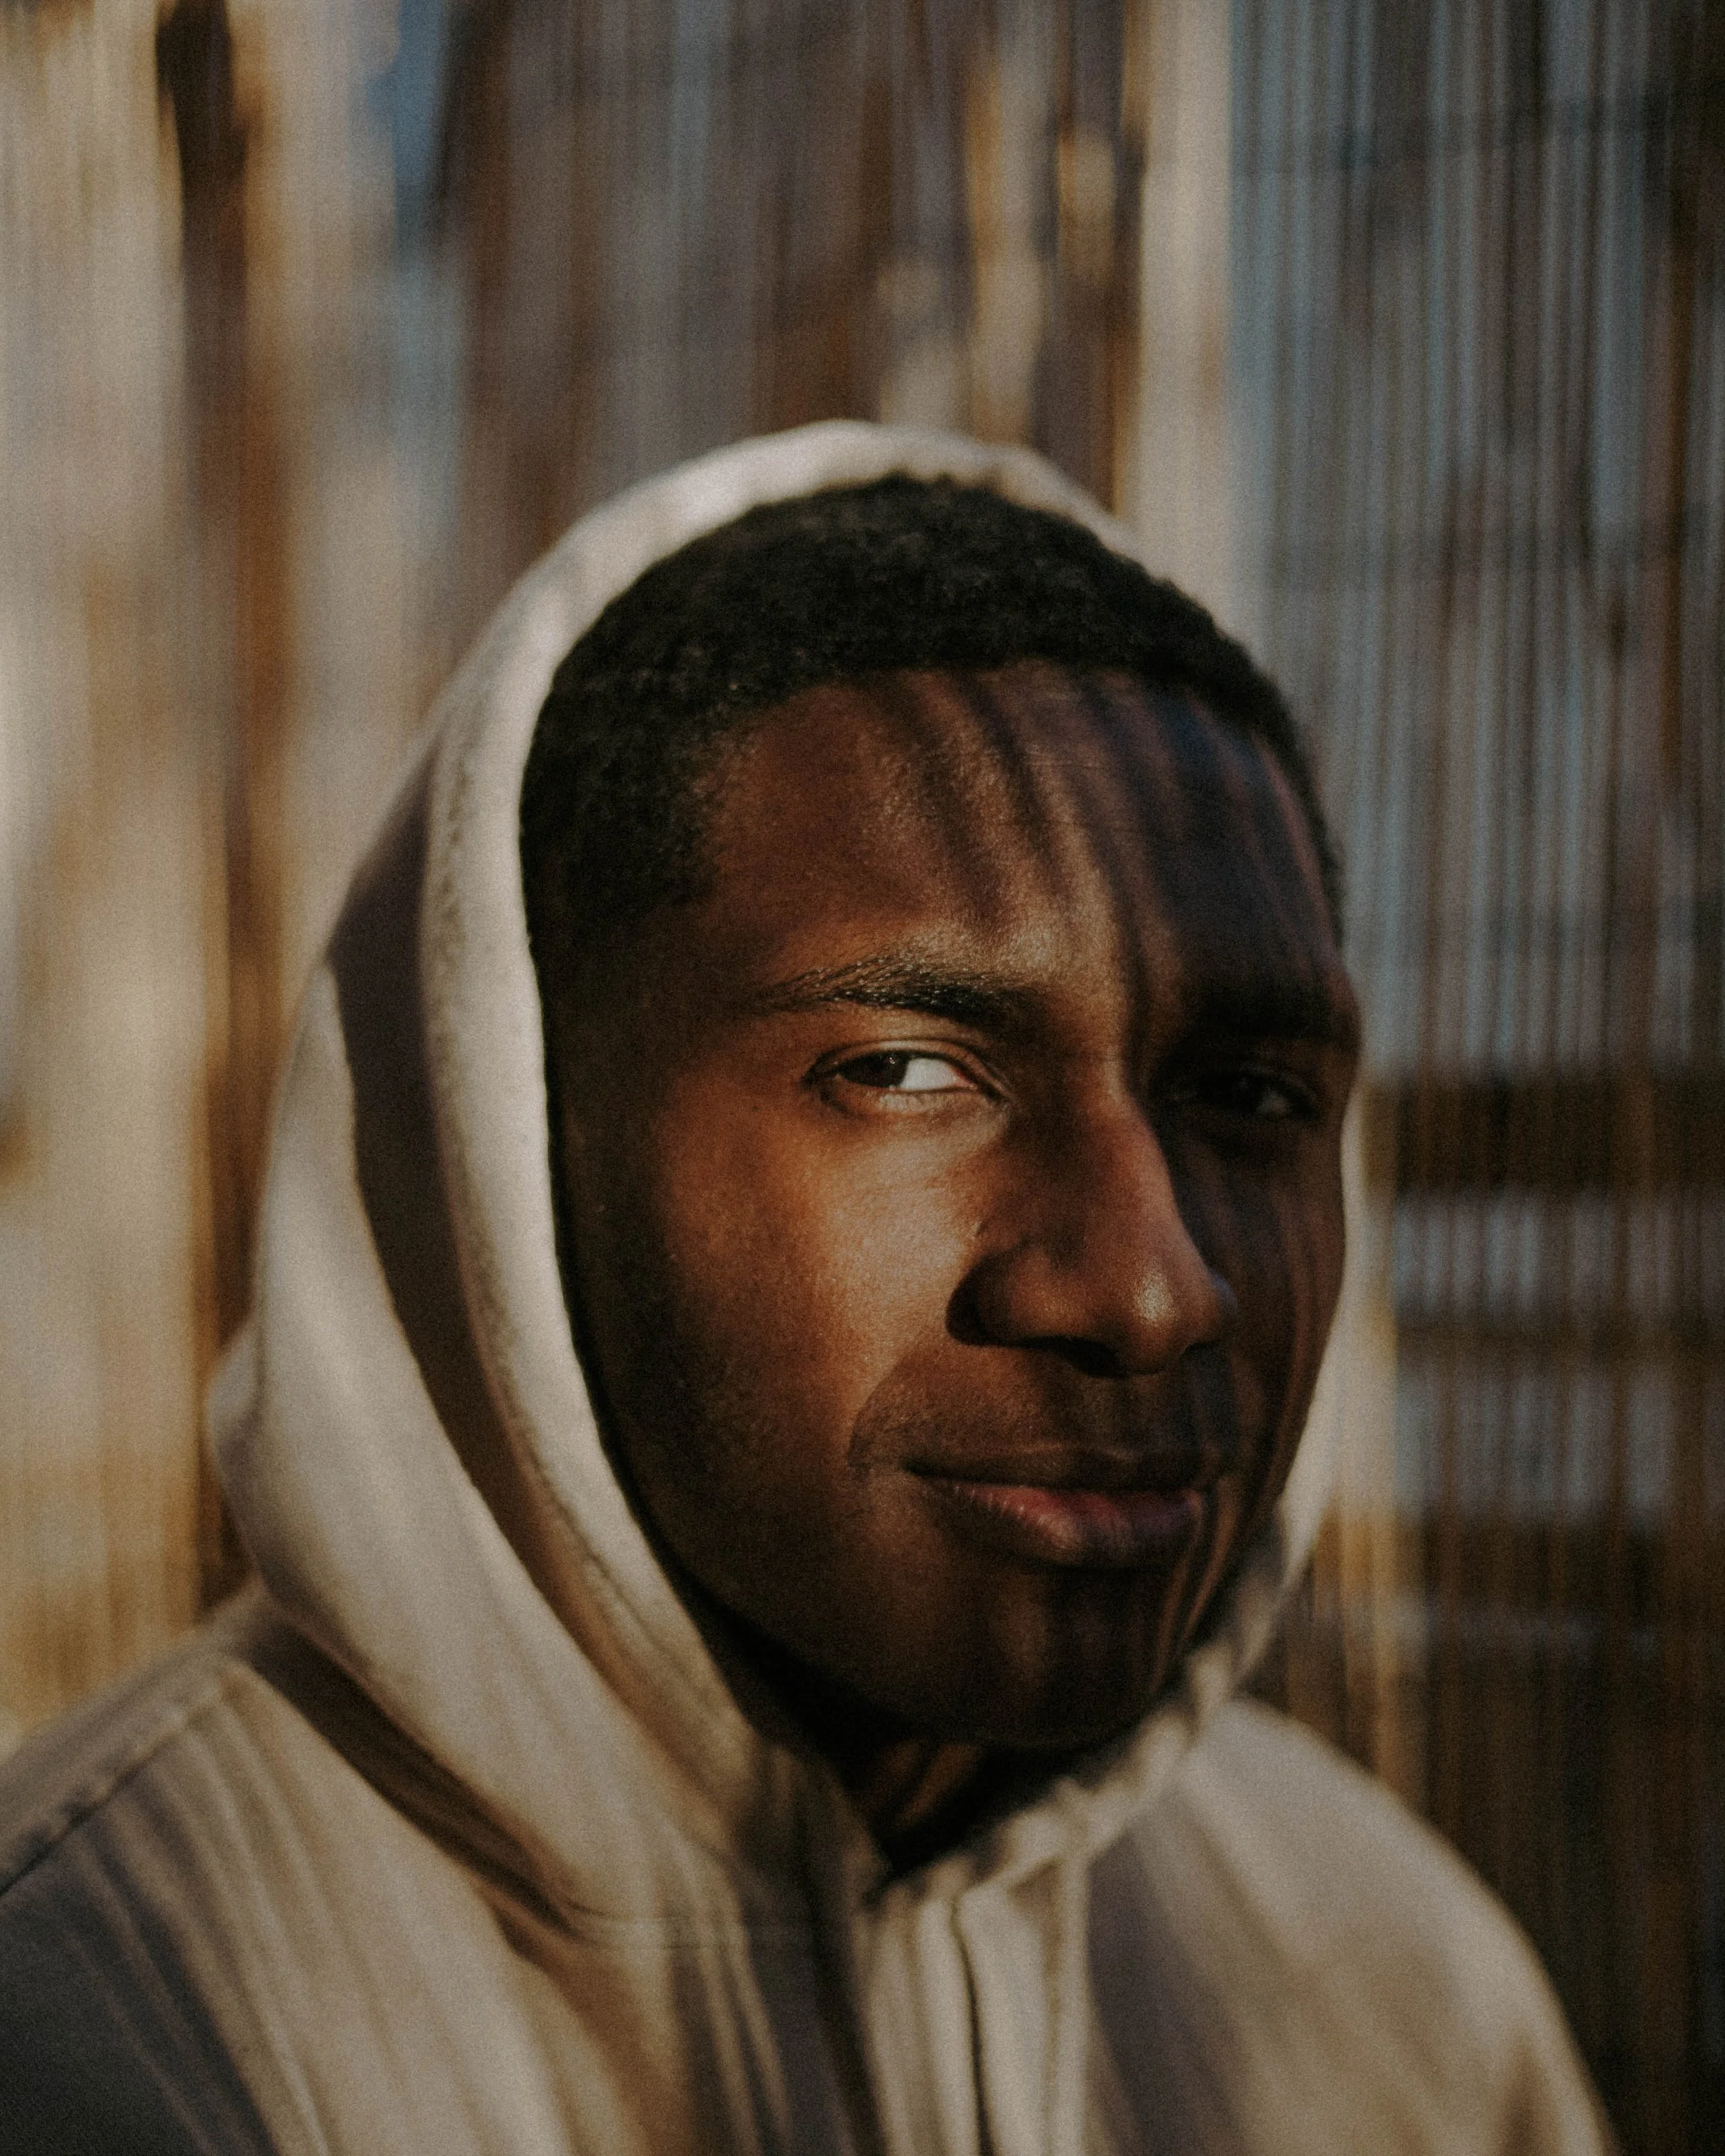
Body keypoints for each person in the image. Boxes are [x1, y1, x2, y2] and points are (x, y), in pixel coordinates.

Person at [0, 424, 1609, 2154]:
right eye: (907, 1069)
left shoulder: (1381, 1981)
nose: (1148, 1289)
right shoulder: (116, 2021)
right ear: (516, 1117)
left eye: (1251, 1096)